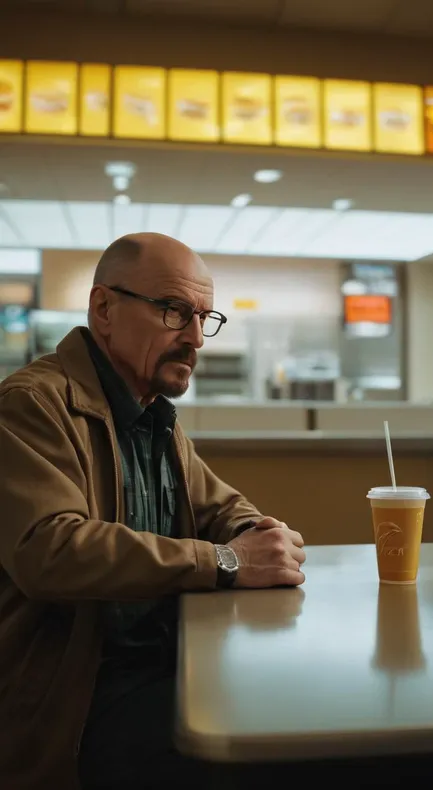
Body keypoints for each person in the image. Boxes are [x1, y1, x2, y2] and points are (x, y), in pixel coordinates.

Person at [0, 233, 306, 790]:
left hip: (161, 667)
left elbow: (220, 506)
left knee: (298, 713)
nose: (195, 338)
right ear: (103, 308)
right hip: (77, 702)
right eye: (173, 311)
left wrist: (259, 536)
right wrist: (227, 562)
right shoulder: (32, 405)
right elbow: (50, 550)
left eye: (204, 318)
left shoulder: (152, 413)